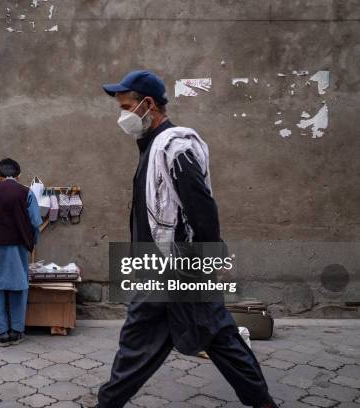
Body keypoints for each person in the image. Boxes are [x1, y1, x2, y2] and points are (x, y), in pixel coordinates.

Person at [96, 70, 278, 408]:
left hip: (179, 271)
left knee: (216, 338)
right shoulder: (152, 146)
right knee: (144, 341)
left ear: (147, 105)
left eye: (125, 107)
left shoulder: (176, 147)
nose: (121, 116)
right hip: (161, 270)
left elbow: (202, 209)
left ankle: (263, 403)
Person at [0, 158, 42, 346]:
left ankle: (0, 333)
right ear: (19, 176)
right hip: (19, 247)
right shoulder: (27, 192)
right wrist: (31, 243)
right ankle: (17, 330)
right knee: (19, 286)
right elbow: (35, 222)